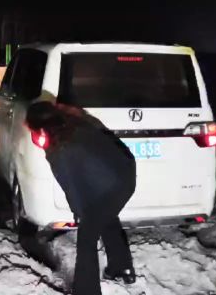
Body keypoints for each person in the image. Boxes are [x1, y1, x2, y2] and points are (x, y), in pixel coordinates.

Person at [26, 101, 137, 295]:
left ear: (40, 127)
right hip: (125, 175)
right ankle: (121, 267)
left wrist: (80, 212)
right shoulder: (77, 121)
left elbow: (71, 185)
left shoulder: (60, 146)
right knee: (106, 217)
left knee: (87, 237)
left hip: (110, 185)